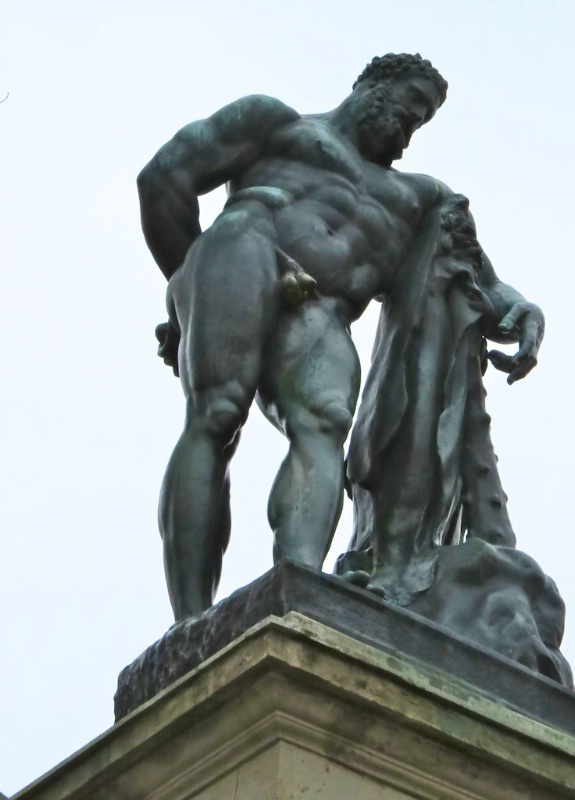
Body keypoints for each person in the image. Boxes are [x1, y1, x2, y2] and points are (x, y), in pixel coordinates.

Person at [138, 53, 543, 620]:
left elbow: (475, 280)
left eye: (419, 123)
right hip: (247, 247)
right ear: (372, 87)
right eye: (408, 111)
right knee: (217, 416)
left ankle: (299, 594)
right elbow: (164, 178)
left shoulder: (416, 200)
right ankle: (191, 622)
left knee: (325, 423)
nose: (408, 133)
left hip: (322, 311)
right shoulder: (276, 125)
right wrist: (190, 281)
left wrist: (520, 309)